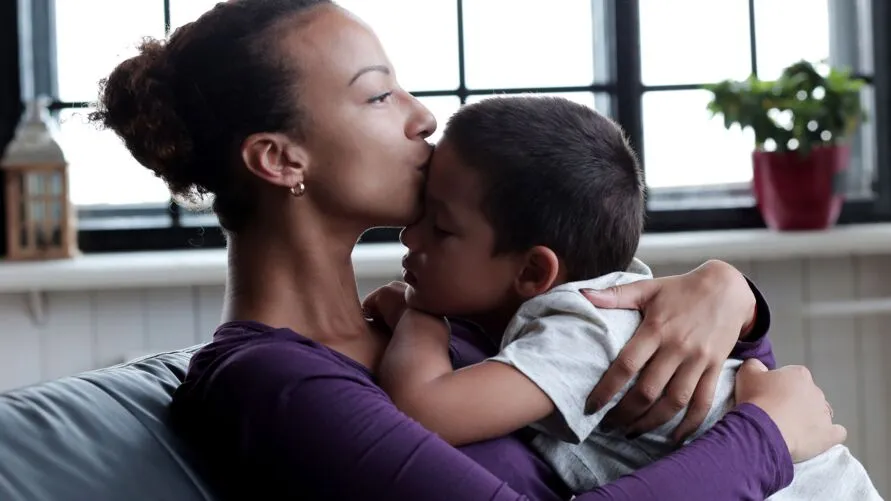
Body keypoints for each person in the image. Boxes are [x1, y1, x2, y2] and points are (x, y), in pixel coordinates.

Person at [87, 0, 845, 499]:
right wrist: (767, 438)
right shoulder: (271, 382)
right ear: (280, 160)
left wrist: (729, 299)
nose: (422, 118)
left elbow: (676, 409)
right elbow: (769, 425)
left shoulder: (445, 313)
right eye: (378, 94)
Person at [372, 95, 878, 500]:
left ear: (532, 270)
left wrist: (418, 313)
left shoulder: (583, 329)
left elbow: (421, 413)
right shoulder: (582, 307)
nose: (409, 238)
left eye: (439, 227)